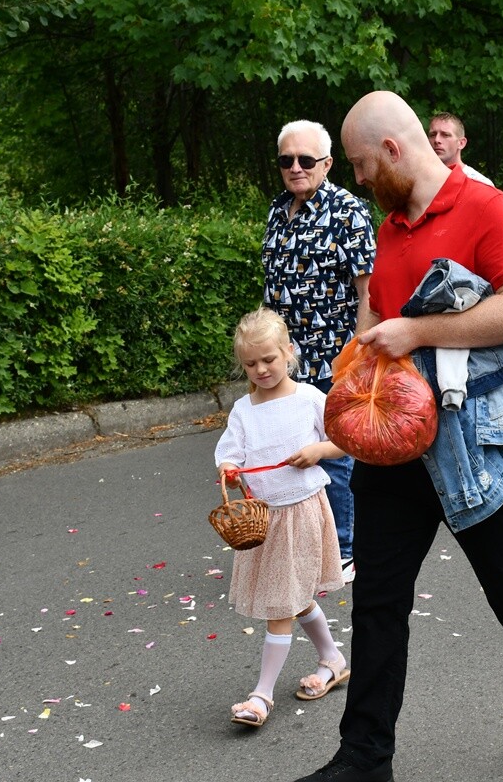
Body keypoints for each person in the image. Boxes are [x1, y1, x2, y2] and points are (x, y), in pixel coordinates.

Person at [294, 90, 503, 782]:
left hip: (479, 446)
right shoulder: (390, 227)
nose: (360, 181)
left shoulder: (489, 209)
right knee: (377, 605)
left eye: (365, 166)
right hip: (394, 445)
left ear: (394, 151)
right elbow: (375, 318)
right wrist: (350, 375)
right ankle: (364, 757)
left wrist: (418, 331)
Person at [215, 308, 348, 728]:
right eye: (251, 364)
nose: (261, 369)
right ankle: (332, 658)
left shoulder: (308, 398)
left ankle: (261, 695)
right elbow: (229, 451)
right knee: (292, 595)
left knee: (282, 604)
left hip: (303, 512)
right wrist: (229, 469)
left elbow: (342, 439)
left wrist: (319, 452)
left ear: (288, 352)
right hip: (265, 519)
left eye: (269, 359)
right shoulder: (243, 409)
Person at [262, 119, 376, 585]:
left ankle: (345, 549)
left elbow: (369, 290)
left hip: (333, 354)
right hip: (287, 360)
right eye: (287, 160)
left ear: (327, 164)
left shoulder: (349, 212)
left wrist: (358, 354)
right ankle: (309, 543)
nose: (295, 167)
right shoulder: (276, 210)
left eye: (306, 160)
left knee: (335, 453)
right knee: (293, 449)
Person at [427, 111, 494, 185]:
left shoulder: (480, 183)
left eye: (445, 135)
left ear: (461, 143)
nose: (437, 140)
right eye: (432, 135)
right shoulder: (420, 181)